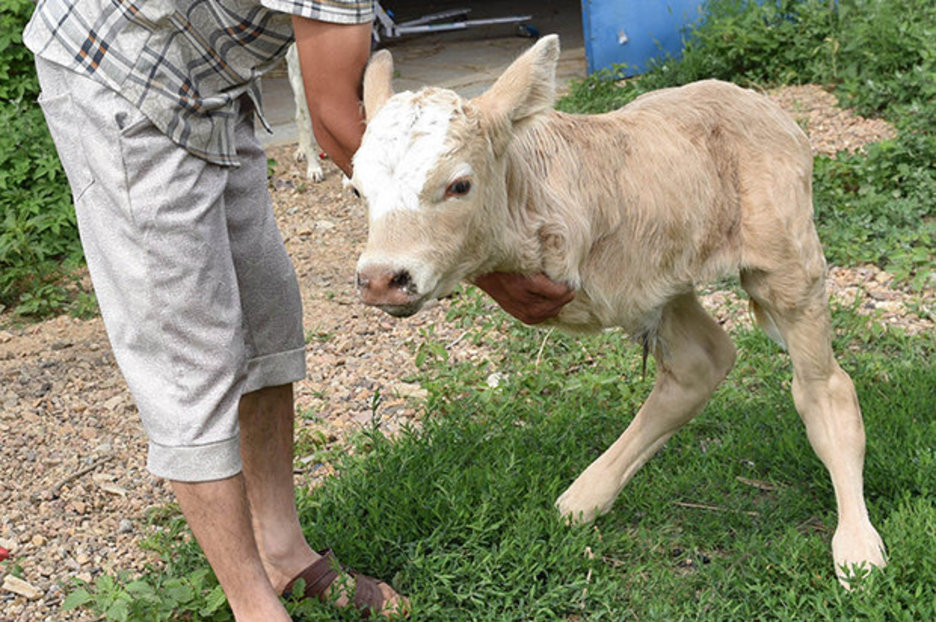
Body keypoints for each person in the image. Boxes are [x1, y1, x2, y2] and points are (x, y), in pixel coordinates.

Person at [24, 1, 574, 619]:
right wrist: (483, 269)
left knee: (268, 317)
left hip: (210, 84)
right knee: (189, 353)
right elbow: (339, 118)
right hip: (122, 75)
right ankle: (253, 605)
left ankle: (282, 552)